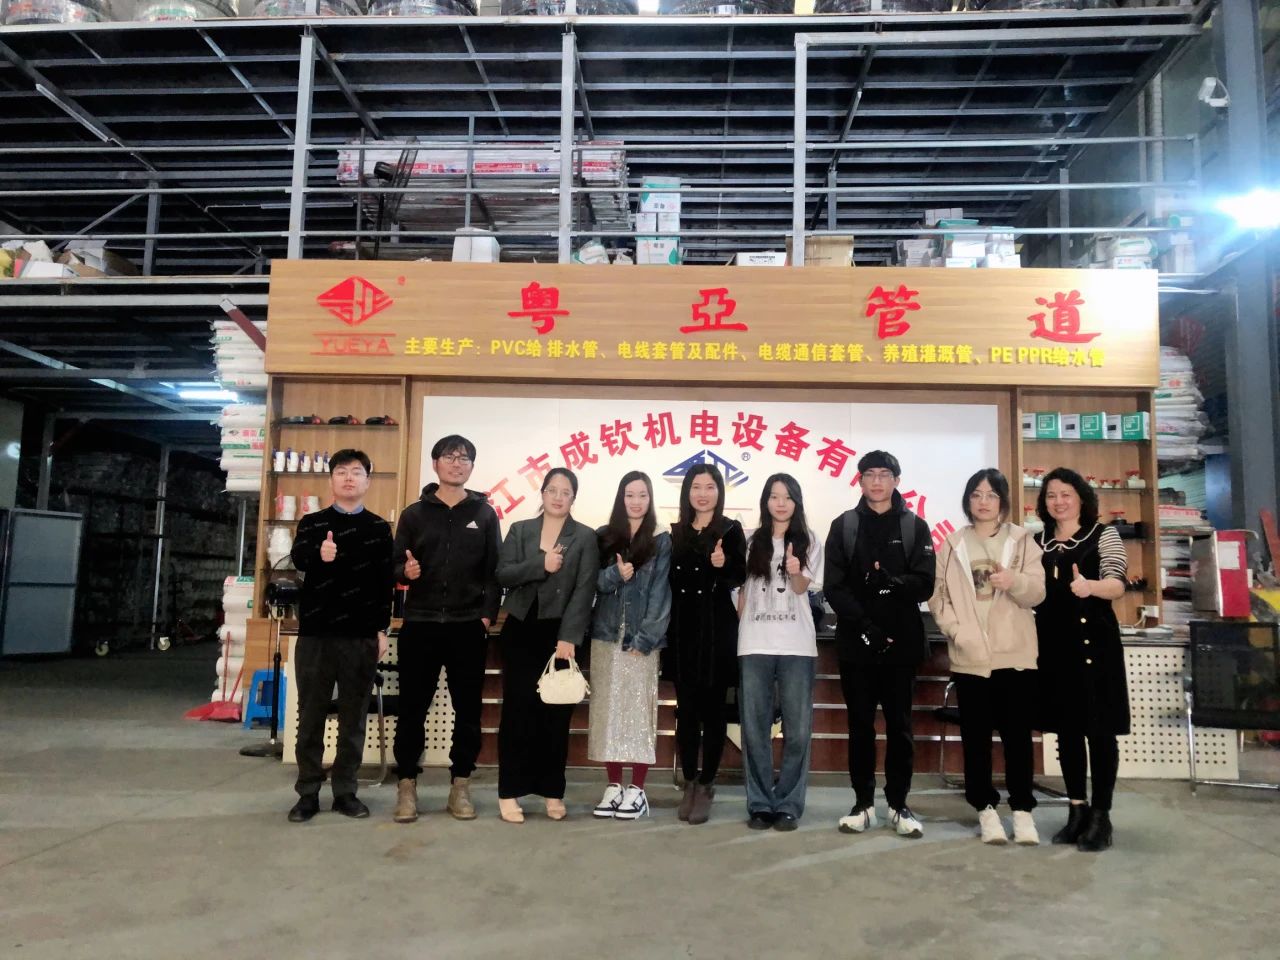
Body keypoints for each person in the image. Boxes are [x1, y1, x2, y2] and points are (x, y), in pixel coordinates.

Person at [929, 468, 1046, 845]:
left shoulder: (1022, 541)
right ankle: (985, 809)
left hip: (1014, 654)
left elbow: (1038, 593)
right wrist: (957, 632)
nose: (983, 502)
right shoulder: (953, 544)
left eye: (991, 495)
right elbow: (938, 597)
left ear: (1002, 501)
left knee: (1017, 738)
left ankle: (1023, 811)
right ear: (968, 501)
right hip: (971, 657)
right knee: (976, 739)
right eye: (976, 495)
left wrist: (1015, 582)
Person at [390, 435, 501, 824]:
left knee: (467, 712)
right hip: (420, 624)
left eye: (464, 458)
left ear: (472, 466)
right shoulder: (414, 514)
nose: (457, 463)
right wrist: (405, 572)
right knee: (411, 710)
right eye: (450, 457)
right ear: (435, 463)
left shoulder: (484, 514)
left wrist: (485, 616)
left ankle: (461, 785)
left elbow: (494, 573)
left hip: (467, 626)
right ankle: (407, 786)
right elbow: (393, 565)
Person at [824, 450, 934, 839]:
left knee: (900, 726)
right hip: (857, 641)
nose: (876, 481)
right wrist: (864, 624)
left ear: (896, 481)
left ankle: (899, 805)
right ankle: (863, 804)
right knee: (860, 726)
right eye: (869, 474)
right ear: (860, 480)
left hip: (902, 642)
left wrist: (894, 582)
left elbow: (926, 583)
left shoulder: (914, 526)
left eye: (884, 474)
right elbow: (834, 586)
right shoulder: (844, 525)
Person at [286, 449, 393, 823]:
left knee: (353, 718)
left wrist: (382, 630)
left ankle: (346, 791)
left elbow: (384, 584)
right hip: (317, 633)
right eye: (342, 472)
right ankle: (307, 793)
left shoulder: (379, 528)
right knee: (310, 715)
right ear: (331, 480)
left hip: (361, 636)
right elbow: (298, 559)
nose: (349, 478)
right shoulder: (312, 523)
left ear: (367, 481)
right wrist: (320, 553)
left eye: (357, 472)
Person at [1033, 466, 1130, 852]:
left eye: (1066, 495)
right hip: (1053, 648)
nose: (1058, 502)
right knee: (1067, 732)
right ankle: (1076, 808)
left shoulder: (1104, 535)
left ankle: (1101, 816)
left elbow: (1117, 584)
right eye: (1051, 495)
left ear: (1081, 499)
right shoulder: (1036, 541)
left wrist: (1090, 586)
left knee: (1100, 732)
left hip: (1095, 648)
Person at [494, 468, 599, 823]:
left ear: (573, 498)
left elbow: (585, 588)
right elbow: (503, 574)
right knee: (517, 713)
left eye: (565, 492)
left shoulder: (584, 536)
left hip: (561, 635)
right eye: (552, 490)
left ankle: (553, 791)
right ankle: (509, 792)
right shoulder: (520, 530)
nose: (558, 497)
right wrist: (541, 564)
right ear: (542, 493)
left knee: (556, 716)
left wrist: (569, 636)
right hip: (521, 630)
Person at [737, 474, 823, 832]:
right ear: (766, 502)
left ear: (796, 502)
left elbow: (803, 588)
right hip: (754, 644)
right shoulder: (750, 541)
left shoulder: (810, 540)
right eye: (774, 496)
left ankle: (788, 803)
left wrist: (795, 570)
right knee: (755, 729)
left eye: (787, 497)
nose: (781, 503)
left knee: (798, 730)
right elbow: (741, 596)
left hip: (796, 647)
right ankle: (760, 804)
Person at [588, 471, 672, 821]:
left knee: (638, 713)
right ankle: (613, 785)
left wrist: (646, 639)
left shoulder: (661, 540)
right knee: (606, 712)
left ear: (650, 500)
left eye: (642, 495)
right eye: (629, 495)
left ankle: (637, 789)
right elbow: (590, 582)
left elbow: (661, 593)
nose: (636, 502)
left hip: (640, 640)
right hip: (605, 636)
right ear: (620, 499)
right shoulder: (604, 537)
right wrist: (614, 575)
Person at [666, 463, 747, 825]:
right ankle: (689, 781)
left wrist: (723, 562)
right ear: (687, 492)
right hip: (682, 629)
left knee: (714, 713)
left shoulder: (730, 529)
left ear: (719, 491)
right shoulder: (676, 532)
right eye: (696, 487)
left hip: (716, 630)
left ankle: (707, 784)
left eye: (709, 487)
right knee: (686, 712)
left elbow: (740, 575)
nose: (702, 493)